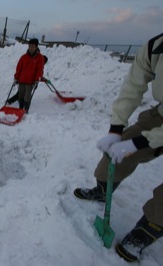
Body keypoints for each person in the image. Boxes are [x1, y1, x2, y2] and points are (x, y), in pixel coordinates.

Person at [73, 33, 163, 262]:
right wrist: (116, 129)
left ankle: (149, 229)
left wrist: (141, 142)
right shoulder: (156, 47)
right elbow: (133, 86)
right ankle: (103, 190)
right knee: (113, 158)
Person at [13, 38, 45, 113]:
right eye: (30, 46)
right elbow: (19, 68)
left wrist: (37, 79)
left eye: (33, 46)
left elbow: (39, 70)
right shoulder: (24, 57)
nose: (31, 48)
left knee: (27, 97)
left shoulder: (40, 58)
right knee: (20, 96)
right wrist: (16, 78)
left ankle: (26, 110)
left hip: (30, 82)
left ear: (36, 47)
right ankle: (20, 109)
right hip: (21, 80)